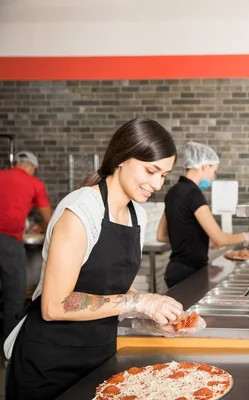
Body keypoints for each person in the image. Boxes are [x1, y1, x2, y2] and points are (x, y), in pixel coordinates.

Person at [3, 118, 185, 400]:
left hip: (99, 357)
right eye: (151, 171)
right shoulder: (81, 211)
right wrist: (136, 302)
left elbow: (114, 284)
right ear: (123, 157)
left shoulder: (137, 213)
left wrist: (146, 309)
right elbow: (54, 305)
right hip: (50, 364)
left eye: (164, 175)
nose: (157, 184)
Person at [157, 142, 249, 288]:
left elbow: (161, 235)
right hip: (190, 273)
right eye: (214, 171)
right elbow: (220, 239)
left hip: (174, 271)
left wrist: (198, 239)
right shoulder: (194, 194)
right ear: (205, 166)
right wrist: (247, 236)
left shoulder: (173, 192)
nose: (212, 178)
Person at [0, 151, 53, 344]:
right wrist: (43, 225)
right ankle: (9, 351)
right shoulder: (34, 183)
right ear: (31, 167)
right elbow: (49, 218)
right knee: (13, 296)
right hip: (8, 242)